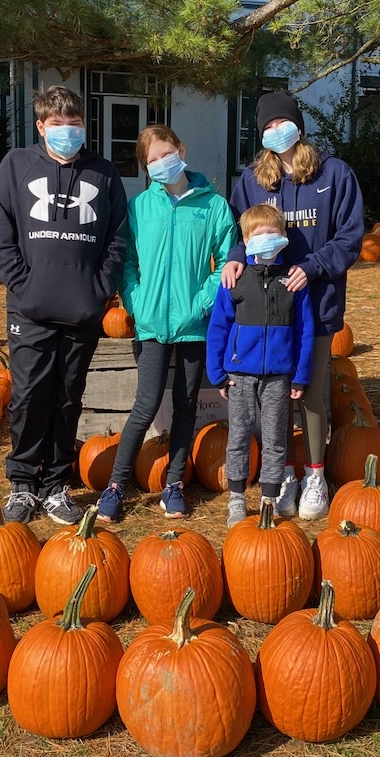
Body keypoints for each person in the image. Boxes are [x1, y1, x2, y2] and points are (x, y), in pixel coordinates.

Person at [0, 85, 128, 524]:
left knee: (68, 398)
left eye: (76, 123)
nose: (68, 131)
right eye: (59, 124)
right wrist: (22, 286)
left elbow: (118, 238)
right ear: (42, 126)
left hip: (81, 310)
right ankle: (24, 484)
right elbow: (0, 233)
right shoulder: (16, 166)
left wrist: (98, 290)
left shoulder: (103, 174)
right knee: (29, 397)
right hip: (29, 310)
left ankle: (56, 485)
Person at [223, 90, 364, 521]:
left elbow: (350, 237)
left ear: (298, 126)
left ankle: (315, 474)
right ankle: (282, 471)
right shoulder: (252, 180)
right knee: (274, 398)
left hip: (315, 305)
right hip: (267, 313)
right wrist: (233, 257)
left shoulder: (335, 175)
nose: (274, 131)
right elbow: (237, 231)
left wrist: (314, 267)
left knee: (312, 393)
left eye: (280, 123)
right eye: (266, 126)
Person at [95, 125, 237, 523]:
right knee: (146, 404)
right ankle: (116, 485)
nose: (160, 163)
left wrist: (202, 303)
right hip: (153, 324)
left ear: (181, 149)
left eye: (165, 154)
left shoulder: (213, 207)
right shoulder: (139, 207)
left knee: (187, 404)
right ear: (145, 167)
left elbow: (226, 262)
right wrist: (138, 304)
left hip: (195, 323)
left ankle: (174, 483)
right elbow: (127, 263)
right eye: (151, 160)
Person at [207, 202, 313, 528]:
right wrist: (218, 374)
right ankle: (237, 497)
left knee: (275, 438)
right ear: (247, 240)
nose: (267, 238)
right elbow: (218, 327)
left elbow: (305, 331)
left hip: (279, 376)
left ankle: (269, 496)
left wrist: (300, 375)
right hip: (239, 374)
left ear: (283, 236)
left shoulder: (293, 281)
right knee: (238, 435)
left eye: (273, 232)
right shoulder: (235, 279)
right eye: (259, 233)